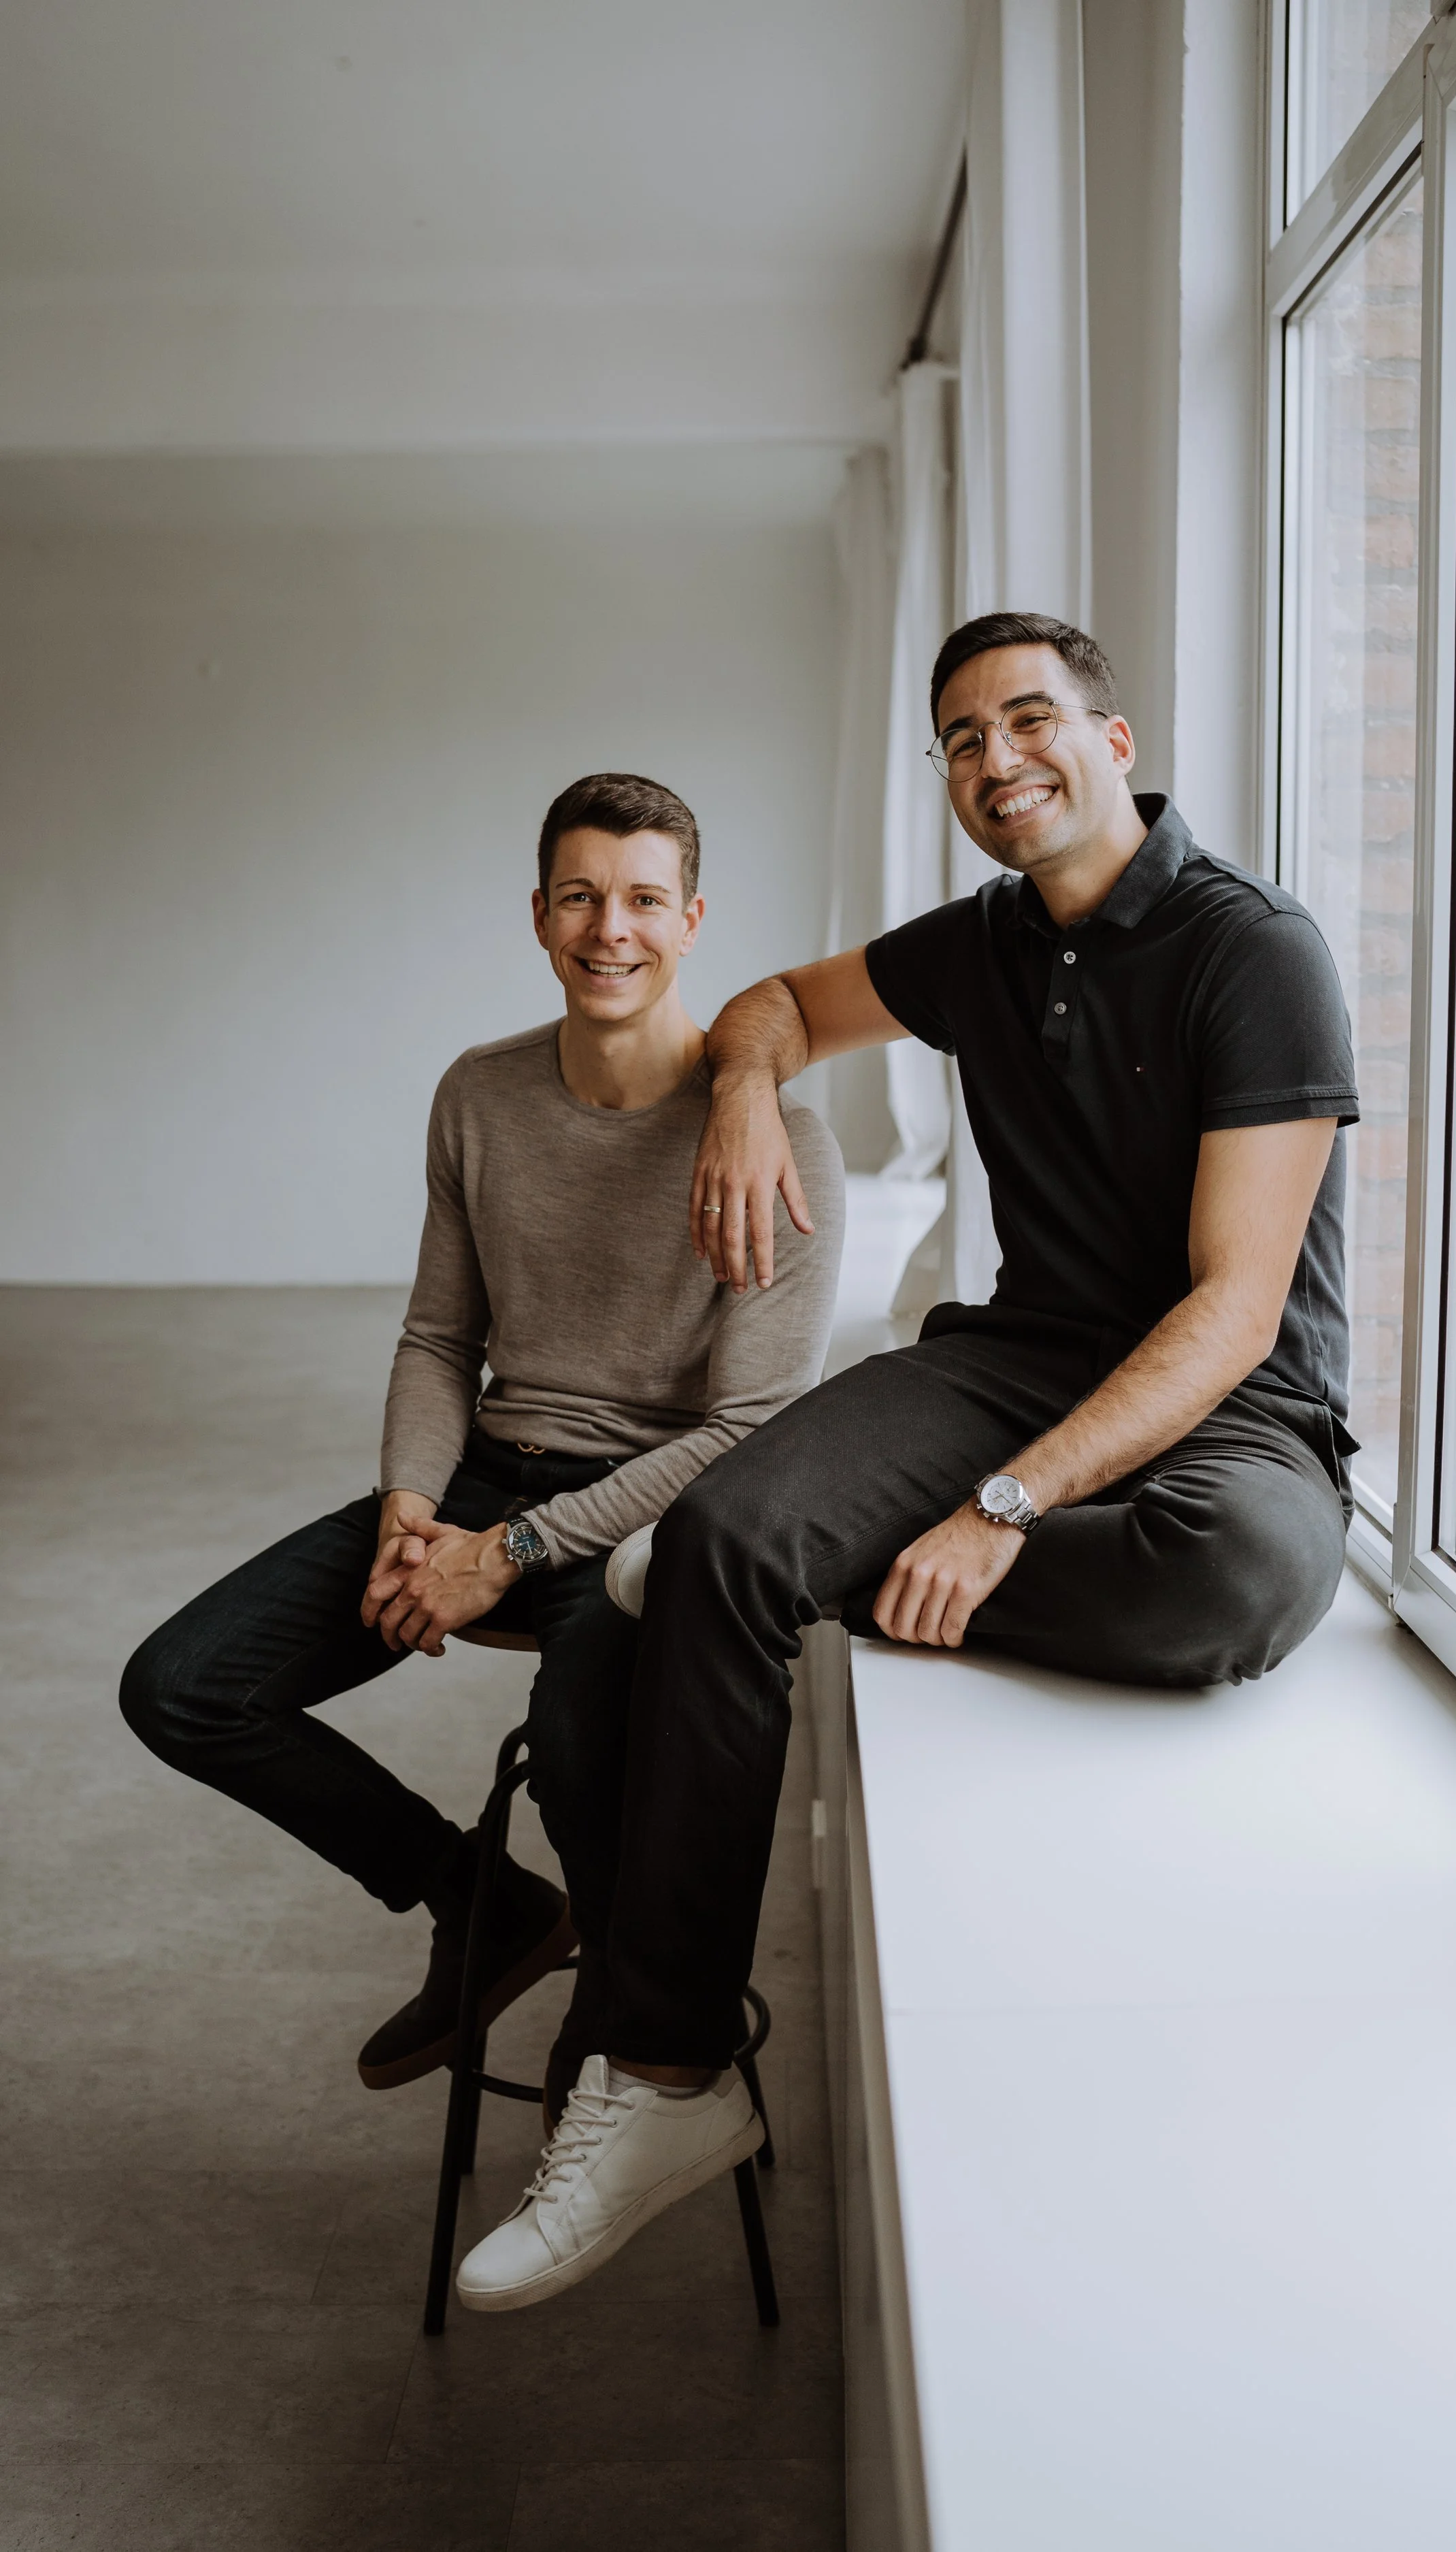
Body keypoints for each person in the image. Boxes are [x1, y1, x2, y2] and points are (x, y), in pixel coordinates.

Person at [452, 611, 1358, 2315]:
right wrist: (743, 1097)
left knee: (1238, 1580)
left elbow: (1234, 1311)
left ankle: (800, 1571)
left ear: (1112, 738)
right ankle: (665, 2073)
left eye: (1027, 720)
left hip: (1230, 1408)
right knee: (720, 1539)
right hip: (1015, 1356)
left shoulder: (1253, 950)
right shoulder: (981, 944)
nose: (994, 759)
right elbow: (773, 1007)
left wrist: (1003, 1510)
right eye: (958, 739)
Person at [120, 771, 844, 2131]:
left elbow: (745, 1430)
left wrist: (508, 1553)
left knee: (577, 1739)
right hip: (482, 1472)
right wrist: (412, 1506)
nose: (609, 930)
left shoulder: (779, 1137)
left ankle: (619, 2000)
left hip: (641, 1516)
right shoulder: (481, 1094)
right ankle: (482, 1899)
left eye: (643, 900)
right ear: (538, 914)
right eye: (580, 897)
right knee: (183, 1687)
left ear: (692, 921)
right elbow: (440, 1338)